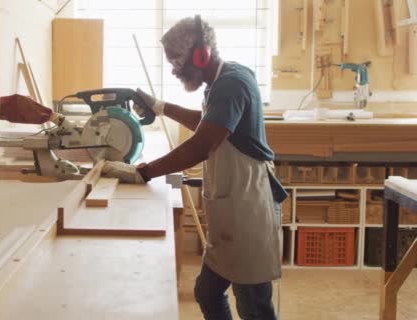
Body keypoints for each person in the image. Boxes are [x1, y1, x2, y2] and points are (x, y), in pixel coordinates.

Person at [101, 15, 288, 320]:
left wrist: (143, 173)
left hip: (247, 209)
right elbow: (207, 124)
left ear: (202, 54)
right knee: (208, 292)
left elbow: (201, 145)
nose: (174, 70)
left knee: (254, 307)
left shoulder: (231, 84)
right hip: (232, 207)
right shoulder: (221, 80)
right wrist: (161, 106)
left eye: (177, 62)